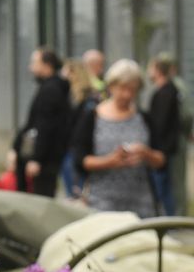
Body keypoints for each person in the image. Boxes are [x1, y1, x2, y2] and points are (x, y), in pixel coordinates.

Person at [71, 59, 164, 218]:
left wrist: (145, 153)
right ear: (111, 86)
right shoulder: (92, 117)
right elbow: (80, 159)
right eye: (123, 88)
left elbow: (162, 160)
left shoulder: (144, 118)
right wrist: (111, 161)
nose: (127, 95)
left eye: (132, 90)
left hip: (141, 203)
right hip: (102, 202)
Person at [15, 47, 70, 198]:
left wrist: (36, 159)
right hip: (47, 158)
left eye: (34, 63)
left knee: (40, 197)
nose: (31, 68)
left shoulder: (51, 90)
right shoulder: (51, 87)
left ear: (47, 65)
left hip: (46, 160)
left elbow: (44, 126)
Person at [146, 53, 184, 215]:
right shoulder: (168, 91)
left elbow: (159, 124)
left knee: (162, 187)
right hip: (164, 147)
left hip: (161, 148)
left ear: (157, 70)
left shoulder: (165, 93)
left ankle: (168, 220)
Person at [59, 58, 101, 199]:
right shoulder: (87, 97)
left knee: (77, 193)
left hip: (76, 150)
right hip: (76, 149)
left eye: (65, 74)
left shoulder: (82, 100)